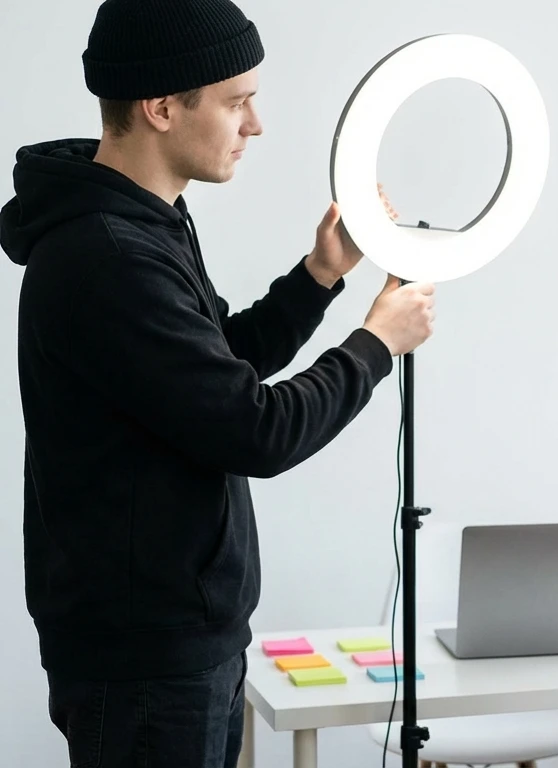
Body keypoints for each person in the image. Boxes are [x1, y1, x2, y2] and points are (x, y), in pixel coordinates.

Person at [0, 1, 435, 765]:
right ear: (162, 107)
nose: (255, 124)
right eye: (237, 101)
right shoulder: (110, 256)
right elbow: (253, 428)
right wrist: (375, 344)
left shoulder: (145, 225)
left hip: (177, 649)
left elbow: (211, 370)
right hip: (147, 667)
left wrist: (319, 277)